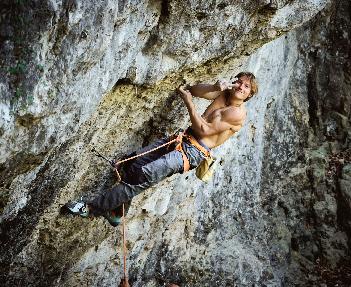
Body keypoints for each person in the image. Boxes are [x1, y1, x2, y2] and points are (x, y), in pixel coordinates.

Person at [64, 72, 258, 226]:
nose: (241, 86)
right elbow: (194, 90)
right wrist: (215, 87)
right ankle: (116, 211)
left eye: (246, 86)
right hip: (181, 140)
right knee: (132, 163)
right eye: (239, 82)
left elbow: (204, 129)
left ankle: (90, 208)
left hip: (192, 153)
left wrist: (188, 102)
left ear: (250, 94)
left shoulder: (236, 114)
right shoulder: (224, 94)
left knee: (142, 176)